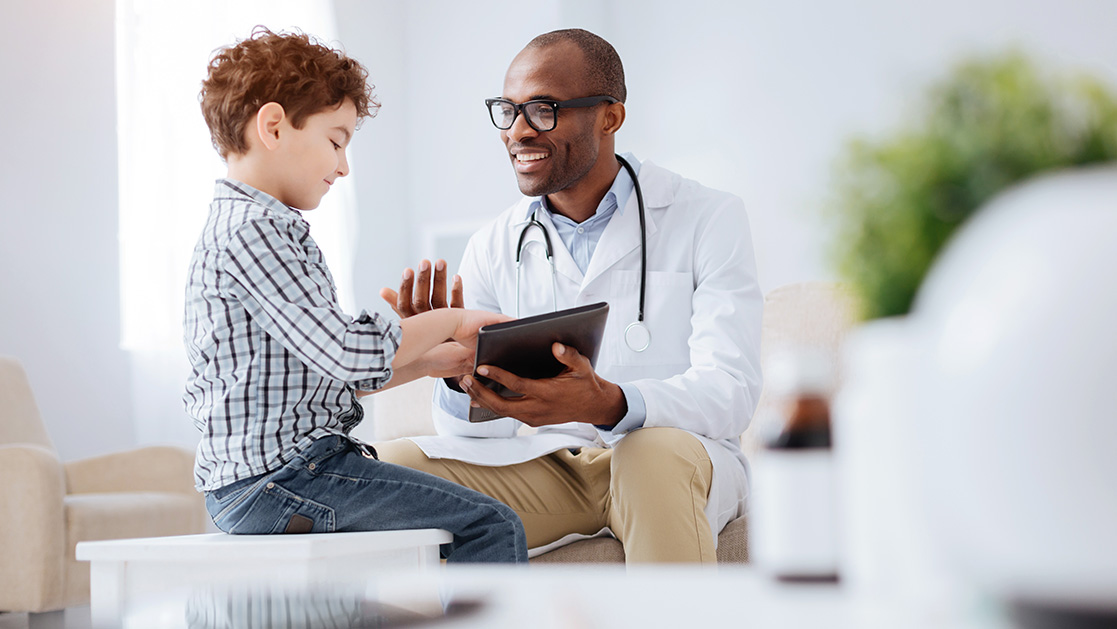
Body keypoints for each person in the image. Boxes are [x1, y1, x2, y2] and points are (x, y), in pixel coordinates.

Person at [376, 28, 762, 563]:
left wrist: (611, 403)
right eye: (507, 111)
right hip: (552, 467)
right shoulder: (494, 243)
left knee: (648, 455)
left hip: (673, 454)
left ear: (610, 116)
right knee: (389, 468)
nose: (518, 131)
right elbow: (471, 431)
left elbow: (731, 390)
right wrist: (452, 369)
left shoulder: (708, 217)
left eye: (542, 109)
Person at [182, 28, 527, 563]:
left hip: (268, 480)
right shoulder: (258, 231)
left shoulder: (253, 226)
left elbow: (322, 378)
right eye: (336, 141)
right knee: (490, 525)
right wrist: (454, 320)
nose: (343, 167)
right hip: (283, 479)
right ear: (273, 126)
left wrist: (437, 363)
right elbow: (347, 353)